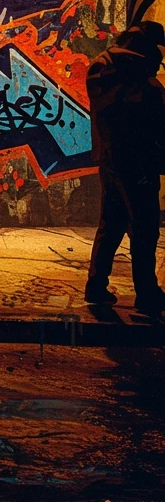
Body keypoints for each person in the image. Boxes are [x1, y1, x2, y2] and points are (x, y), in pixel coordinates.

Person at [85, 20, 165, 317]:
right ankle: (146, 293)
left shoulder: (103, 67)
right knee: (144, 228)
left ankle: (96, 285)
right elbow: (152, 123)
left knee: (113, 224)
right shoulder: (140, 79)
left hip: (111, 159)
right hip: (138, 163)